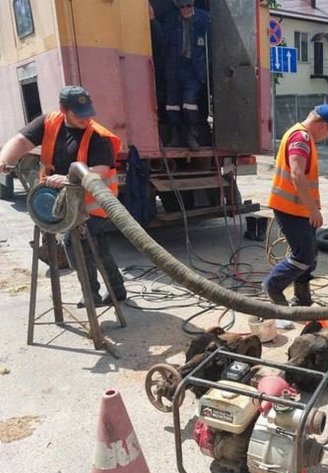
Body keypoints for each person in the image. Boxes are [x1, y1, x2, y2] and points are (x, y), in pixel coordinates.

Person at [0, 85, 127, 308]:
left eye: (88, 114)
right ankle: (115, 289)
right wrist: (4, 160)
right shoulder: (48, 123)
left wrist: (68, 178)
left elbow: (99, 169)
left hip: (92, 203)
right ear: (63, 109)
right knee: (96, 247)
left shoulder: (98, 136)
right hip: (64, 202)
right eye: (79, 115)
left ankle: (92, 294)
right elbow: (21, 141)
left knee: (77, 244)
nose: (85, 119)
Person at [262, 104, 328, 306]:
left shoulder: (301, 135)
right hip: (291, 208)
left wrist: (312, 209)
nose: (327, 136)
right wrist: (313, 209)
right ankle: (273, 285)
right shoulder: (301, 138)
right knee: (304, 256)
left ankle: (302, 299)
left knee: (310, 256)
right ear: (323, 126)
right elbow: (297, 174)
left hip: (299, 208)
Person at [154, 0, 210, 150]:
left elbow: (214, 41)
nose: (186, 9)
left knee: (190, 101)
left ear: (193, 5)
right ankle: (175, 135)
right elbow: (161, 40)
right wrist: (153, 21)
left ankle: (192, 135)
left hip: (194, 68)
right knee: (172, 104)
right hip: (175, 67)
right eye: (182, 7)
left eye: (188, 6)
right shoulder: (171, 20)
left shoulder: (205, 18)